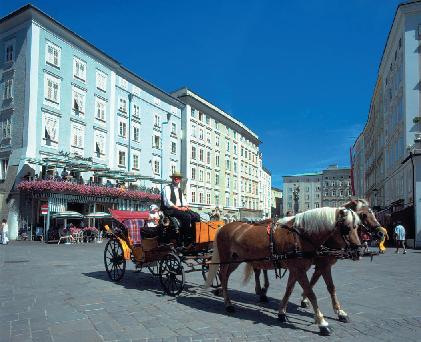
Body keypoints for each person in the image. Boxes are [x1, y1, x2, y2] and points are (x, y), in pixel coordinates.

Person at [161, 171, 200, 246]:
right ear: (172, 179)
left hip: (179, 208)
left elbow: (183, 201)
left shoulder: (179, 190)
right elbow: (167, 202)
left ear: (180, 180)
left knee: (196, 215)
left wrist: (186, 207)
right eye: (175, 177)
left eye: (178, 178)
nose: (176, 179)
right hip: (170, 210)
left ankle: (194, 236)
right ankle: (185, 239)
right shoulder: (167, 188)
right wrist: (179, 208)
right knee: (187, 217)